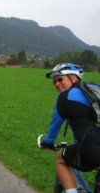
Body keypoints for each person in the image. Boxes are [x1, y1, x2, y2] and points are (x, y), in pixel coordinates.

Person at [40, 63, 100, 193]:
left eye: (60, 79)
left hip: (92, 149)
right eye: (54, 81)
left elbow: (55, 123)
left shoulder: (65, 97)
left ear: (74, 77)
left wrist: (48, 143)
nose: (57, 83)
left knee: (60, 159)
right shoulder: (94, 90)